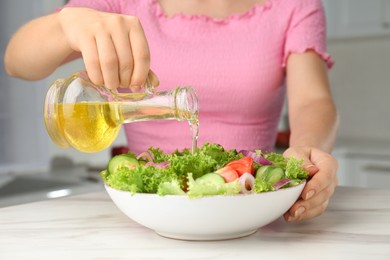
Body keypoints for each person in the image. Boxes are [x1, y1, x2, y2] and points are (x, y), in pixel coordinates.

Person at [4, 0, 339, 222]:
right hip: (144, 217)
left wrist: (307, 150)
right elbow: (16, 60)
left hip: (251, 214)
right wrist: (66, 25)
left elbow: (313, 101)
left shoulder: (294, 5)